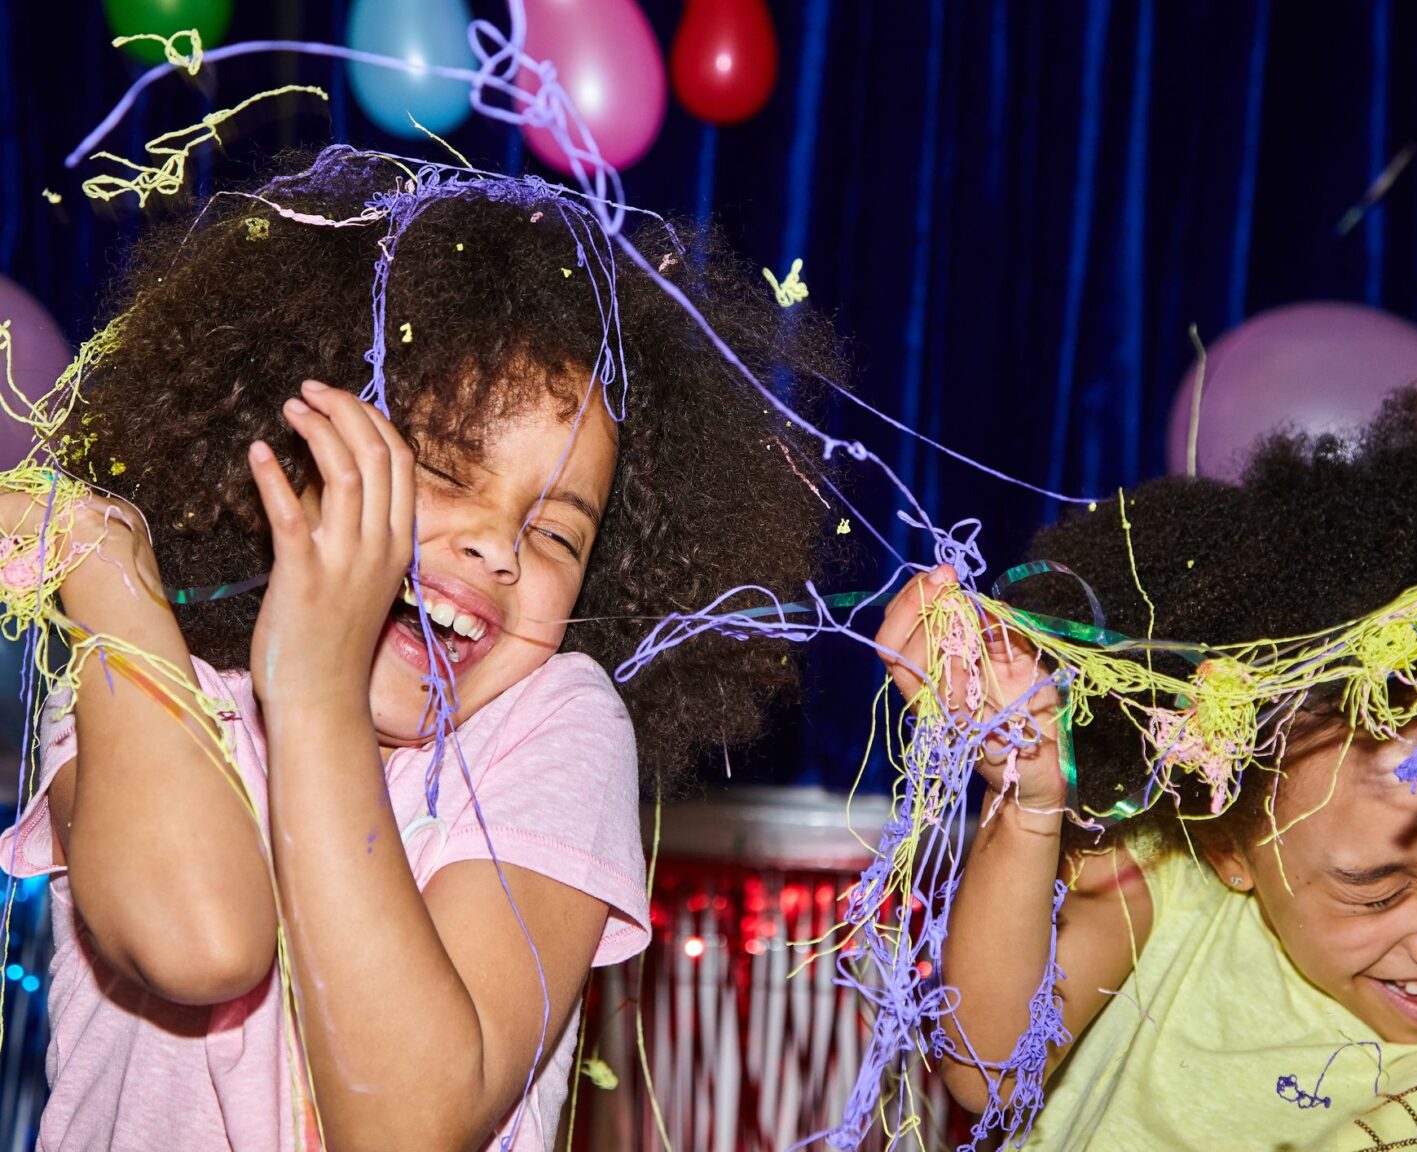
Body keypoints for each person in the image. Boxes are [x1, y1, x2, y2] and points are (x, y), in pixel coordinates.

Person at [0, 146, 840, 1152]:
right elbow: (201, 943)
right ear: (289, 461)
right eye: (442, 468)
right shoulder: (150, 674)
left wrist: (313, 692)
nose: (498, 543)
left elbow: (407, 1124)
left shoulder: (554, 725)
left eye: (559, 535)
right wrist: (107, 575)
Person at [876, 386, 1417, 1149]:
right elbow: (987, 1071)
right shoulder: (1163, 899)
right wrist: (1028, 799)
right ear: (1229, 848)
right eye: (1377, 893)